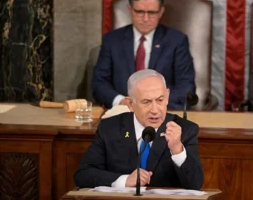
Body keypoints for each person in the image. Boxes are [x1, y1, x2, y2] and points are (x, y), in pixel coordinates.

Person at [75, 69, 203, 190]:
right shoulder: (109, 128)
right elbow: (83, 175)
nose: (155, 110)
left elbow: (195, 184)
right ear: (130, 104)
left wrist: (177, 149)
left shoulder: (185, 130)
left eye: (160, 100)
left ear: (167, 97)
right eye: (146, 102)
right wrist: (124, 181)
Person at [93, 0, 195, 110]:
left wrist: (152, 104)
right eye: (139, 12)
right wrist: (121, 101)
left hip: (162, 113)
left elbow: (186, 86)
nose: (145, 19)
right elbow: (99, 83)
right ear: (130, 10)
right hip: (122, 113)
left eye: (151, 13)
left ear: (161, 12)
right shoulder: (112, 40)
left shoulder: (177, 41)